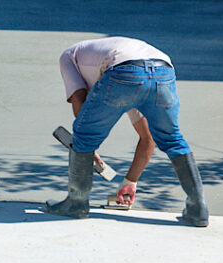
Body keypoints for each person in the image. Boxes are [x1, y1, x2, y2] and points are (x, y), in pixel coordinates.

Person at [45, 36, 209, 227]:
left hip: (123, 72)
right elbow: (148, 139)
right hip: (163, 70)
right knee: (172, 139)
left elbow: (79, 101)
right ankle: (198, 209)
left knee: (83, 136)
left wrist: (88, 148)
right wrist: (130, 181)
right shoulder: (122, 78)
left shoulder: (68, 57)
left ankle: (76, 203)